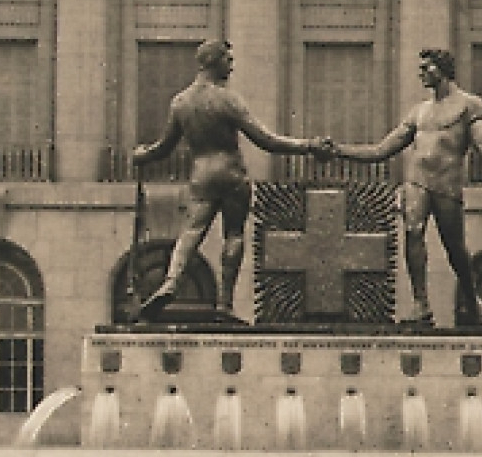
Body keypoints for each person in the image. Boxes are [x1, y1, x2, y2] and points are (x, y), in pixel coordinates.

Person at [132, 39, 332, 322]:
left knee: (191, 231)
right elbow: (267, 141)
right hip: (231, 173)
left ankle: (172, 280)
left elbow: (163, 147)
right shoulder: (227, 99)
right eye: (228, 59)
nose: (232, 65)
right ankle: (225, 304)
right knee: (234, 234)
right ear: (214, 61)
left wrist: (142, 155)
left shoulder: (180, 102)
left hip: (201, 176)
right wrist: (308, 146)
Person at [332, 47, 482, 327]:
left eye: (427, 67)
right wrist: (339, 150)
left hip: (446, 185)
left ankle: (473, 301)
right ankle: (420, 303)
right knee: (413, 232)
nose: (421, 72)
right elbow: (380, 150)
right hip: (417, 182)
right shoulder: (419, 112)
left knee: (455, 249)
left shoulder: (470, 105)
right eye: (420, 67)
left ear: (444, 69)